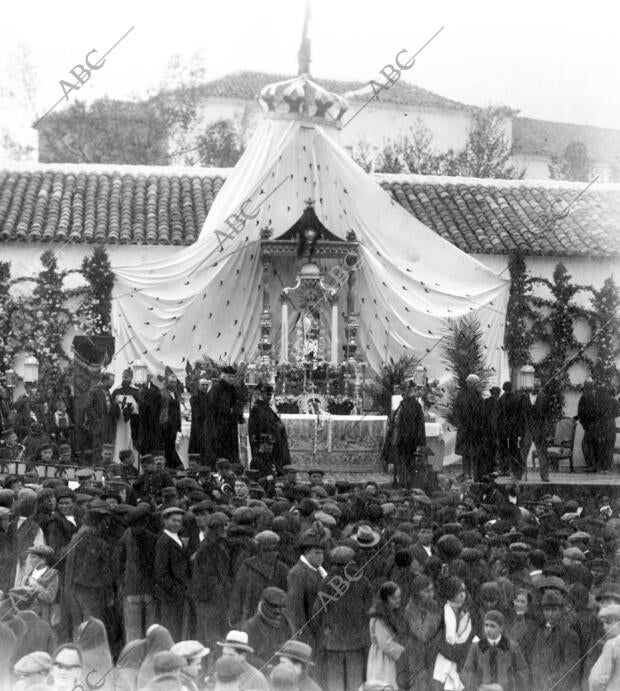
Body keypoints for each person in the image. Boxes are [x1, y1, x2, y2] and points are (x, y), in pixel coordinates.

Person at [312, 545, 373, 691]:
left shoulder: (327, 582)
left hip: (333, 642)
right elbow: (370, 609)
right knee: (355, 682)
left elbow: (317, 612)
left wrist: (324, 631)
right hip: (357, 642)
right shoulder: (363, 581)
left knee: (335, 683)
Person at [117, 503, 158, 643]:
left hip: (130, 591)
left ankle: (133, 661)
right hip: (149, 590)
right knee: (151, 632)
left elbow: (119, 565)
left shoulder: (124, 538)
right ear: (146, 521)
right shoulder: (153, 538)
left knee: (132, 634)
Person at [229, 529, 288, 626]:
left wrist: (234, 617)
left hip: (250, 618)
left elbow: (237, 593)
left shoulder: (247, 566)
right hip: (274, 619)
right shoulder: (282, 568)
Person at [462, 609, 528, 691]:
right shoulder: (476, 648)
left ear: (501, 628)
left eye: (492, 626)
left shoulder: (512, 647)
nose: (488, 629)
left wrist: (504, 687)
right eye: (486, 625)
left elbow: (522, 672)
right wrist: (479, 686)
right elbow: (467, 671)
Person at [531, 589, 581, 691]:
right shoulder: (540, 632)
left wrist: (551, 681)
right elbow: (535, 659)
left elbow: (571, 667)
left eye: (554, 610)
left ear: (561, 610)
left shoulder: (569, 635)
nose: (550, 614)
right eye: (547, 609)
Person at [154, 506, 191, 642]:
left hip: (178, 595)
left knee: (178, 630)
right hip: (169, 597)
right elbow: (160, 573)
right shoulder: (163, 542)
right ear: (165, 521)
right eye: (173, 521)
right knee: (171, 631)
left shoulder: (177, 539)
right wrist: (177, 590)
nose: (176, 524)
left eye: (179, 521)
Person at [287, 532, 327, 651]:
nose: (321, 557)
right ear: (306, 553)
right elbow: (295, 609)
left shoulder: (320, 572)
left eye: (322, 553)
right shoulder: (297, 573)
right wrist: (304, 636)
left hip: (320, 632)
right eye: (317, 553)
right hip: (308, 635)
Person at [432, 576, 472, 691]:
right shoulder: (441, 611)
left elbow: (470, 636)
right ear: (450, 592)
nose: (462, 595)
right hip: (444, 658)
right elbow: (437, 638)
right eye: (458, 591)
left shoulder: (466, 612)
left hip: (461, 658)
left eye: (464, 591)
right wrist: (450, 651)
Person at [403, 575, 442, 691]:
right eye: (426, 591)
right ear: (417, 593)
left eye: (432, 590)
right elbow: (422, 634)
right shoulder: (410, 609)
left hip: (433, 650)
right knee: (418, 683)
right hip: (416, 651)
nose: (431, 594)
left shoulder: (434, 605)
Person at [242, 587, 292, 670]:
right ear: (264, 605)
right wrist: (268, 668)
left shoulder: (286, 623)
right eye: (275, 607)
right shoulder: (250, 627)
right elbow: (247, 656)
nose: (279, 611)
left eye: (282, 607)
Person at [366, 581, 406, 688]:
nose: (398, 600)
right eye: (394, 598)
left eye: (399, 597)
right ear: (386, 599)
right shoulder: (380, 618)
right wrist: (401, 650)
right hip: (382, 659)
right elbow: (385, 644)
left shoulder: (390, 613)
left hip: (389, 656)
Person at [248, 383, 291, 479]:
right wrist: (275, 428)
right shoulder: (257, 408)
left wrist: (279, 426)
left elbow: (273, 422)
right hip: (264, 442)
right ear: (261, 394)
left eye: (270, 395)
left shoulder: (266, 407)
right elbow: (258, 427)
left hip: (272, 441)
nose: (269, 397)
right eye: (267, 395)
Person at [391, 378, 426, 489]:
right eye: (402, 390)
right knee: (403, 463)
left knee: (407, 463)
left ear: (409, 391)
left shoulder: (414, 405)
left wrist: (419, 443)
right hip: (403, 439)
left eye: (404, 390)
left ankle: (407, 484)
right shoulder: (405, 403)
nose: (401, 393)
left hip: (408, 440)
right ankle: (403, 482)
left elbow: (418, 425)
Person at [206, 367, 244, 465]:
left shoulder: (233, 389)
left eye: (233, 377)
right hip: (218, 425)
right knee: (220, 450)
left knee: (231, 450)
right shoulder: (216, 388)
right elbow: (212, 405)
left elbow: (238, 403)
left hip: (230, 425)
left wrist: (236, 411)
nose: (232, 379)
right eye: (229, 376)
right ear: (223, 376)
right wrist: (228, 410)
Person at [453, 374, 485, 480]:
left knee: (469, 452)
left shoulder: (470, 396)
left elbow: (480, 413)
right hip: (469, 428)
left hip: (470, 429)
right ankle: (468, 472)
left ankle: (469, 472)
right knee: (468, 452)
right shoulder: (469, 396)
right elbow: (457, 411)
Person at [84, 372, 118, 462]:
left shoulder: (107, 391)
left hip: (106, 424)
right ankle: (96, 467)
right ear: (105, 380)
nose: (113, 383)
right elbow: (89, 406)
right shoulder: (94, 390)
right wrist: (97, 420)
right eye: (112, 381)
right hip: (98, 424)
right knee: (97, 447)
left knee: (105, 447)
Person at [589, 603, 620, 691]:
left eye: (608, 623)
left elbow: (599, 678)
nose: (605, 627)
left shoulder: (611, 645)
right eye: (603, 623)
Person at [112, 368, 141, 462]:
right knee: (119, 441)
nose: (124, 379)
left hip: (132, 422)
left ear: (131, 378)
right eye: (123, 377)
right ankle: (118, 460)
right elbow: (113, 405)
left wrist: (133, 408)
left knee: (131, 442)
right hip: (119, 422)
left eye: (126, 377)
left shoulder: (136, 391)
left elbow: (140, 407)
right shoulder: (116, 391)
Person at [159, 372, 183, 470]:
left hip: (174, 425)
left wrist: (178, 425)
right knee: (168, 446)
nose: (173, 384)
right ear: (167, 382)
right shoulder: (162, 393)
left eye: (175, 382)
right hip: (166, 424)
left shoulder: (176, 394)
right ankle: (171, 466)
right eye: (171, 382)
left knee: (171, 445)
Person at [189, 378, 211, 466]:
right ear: (198, 385)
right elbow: (198, 413)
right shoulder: (194, 397)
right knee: (199, 447)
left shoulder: (209, 396)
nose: (205, 387)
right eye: (203, 385)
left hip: (207, 426)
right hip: (198, 426)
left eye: (206, 385)